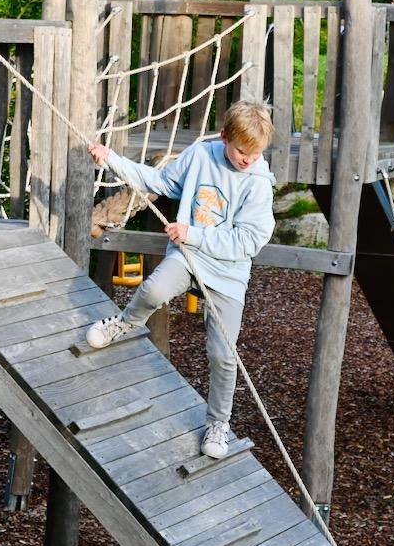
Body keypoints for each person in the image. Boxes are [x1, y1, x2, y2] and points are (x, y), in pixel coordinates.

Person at [85, 100, 276, 459]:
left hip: (227, 273)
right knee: (153, 289)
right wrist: (112, 159)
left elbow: (247, 242)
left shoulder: (259, 184)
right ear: (224, 137)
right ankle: (123, 325)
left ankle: (218, 423)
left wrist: (194, 234)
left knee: (223, 355)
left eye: (255, 154)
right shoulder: (201, 156)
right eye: (240, 152)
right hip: (188, 259)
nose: (247, 160)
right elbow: (159, 182)